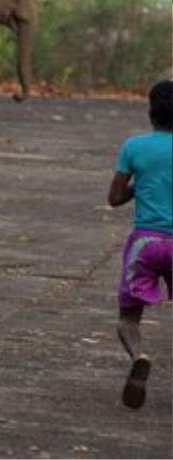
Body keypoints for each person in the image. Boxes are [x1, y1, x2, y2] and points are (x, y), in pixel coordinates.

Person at [107, 79, 171, 409]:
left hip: (145, 242)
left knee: (128, 317)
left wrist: (141, 185)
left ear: (151, 113)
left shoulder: (134, 147)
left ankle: (139, 354)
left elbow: (115, 197)